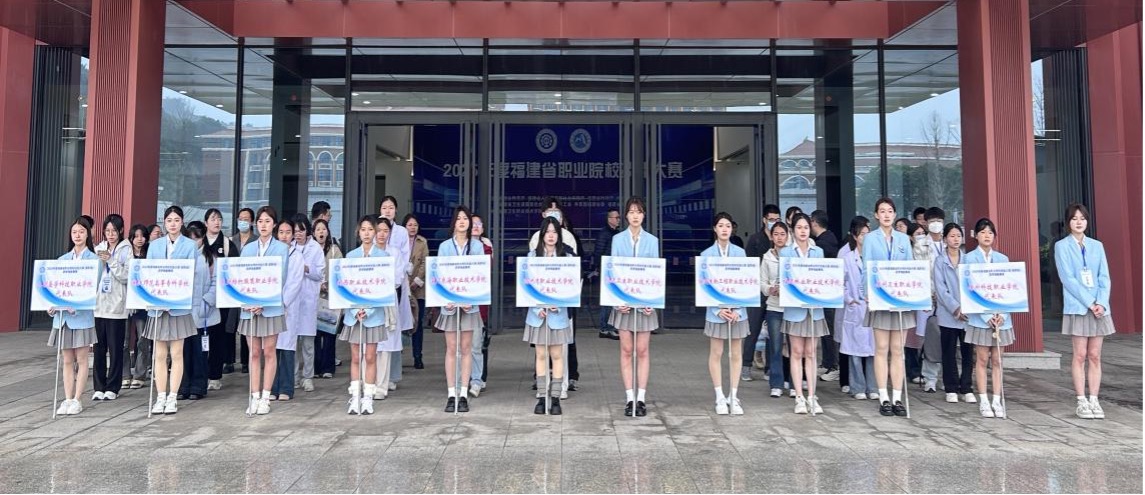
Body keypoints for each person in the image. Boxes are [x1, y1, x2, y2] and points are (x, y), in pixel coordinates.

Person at [1054, 203, 1115, 419]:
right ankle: (1081, 400)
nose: (1079, 222)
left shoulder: (1097, 246)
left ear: (1087, 221)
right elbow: (1067, 278)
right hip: (1078, 307)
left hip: (1099, 308)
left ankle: (1094, 399)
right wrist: (1090, 302)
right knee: (1080, 355)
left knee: (1095, 355)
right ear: (1068, 222)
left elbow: (1104, 277)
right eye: (1074, 218)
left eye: (1082, 218)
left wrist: (1101, 303)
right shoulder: (1061, 246)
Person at [144, 206, 202, 415]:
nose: (173, 224)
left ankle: (172, 397)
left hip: (178, 306)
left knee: (177, 353)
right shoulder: (155, 245)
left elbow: (190, 275)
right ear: (164, 222)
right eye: (169, 220)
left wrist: (175, 295)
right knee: (159, 354)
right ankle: (161, 396)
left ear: (182, 222)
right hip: (158, 307)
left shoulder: (189, 245)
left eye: (177, 220)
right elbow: (149, 274)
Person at [862, 198, 915, 418]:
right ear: (876, 215)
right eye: (882, 211)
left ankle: (897, 397)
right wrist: (867, 293)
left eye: (890, 211)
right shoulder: (870, 239)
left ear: (894, 214)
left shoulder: (903, 239)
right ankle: (883, 396)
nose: (886, 215)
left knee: (898, 350)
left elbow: (911, 268)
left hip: (901, 300)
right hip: (880, 300)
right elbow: (866, 268)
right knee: (881, 348)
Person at [609, 196, 659, 417]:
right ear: (626, 216)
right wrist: (617, 301)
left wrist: (652, 302)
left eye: (639, 212)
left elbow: (655, 273)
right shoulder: (618, 239)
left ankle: (641, 398)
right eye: (631, 212)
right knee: (627, 350)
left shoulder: (652, 241)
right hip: (624, 303)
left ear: (644, 215)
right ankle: (629, 397)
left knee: (643, 350)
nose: (635, 215)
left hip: (645, 303)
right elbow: (613, 271)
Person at [237, 206, 290, 415]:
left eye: (268, 221)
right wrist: (249, 300)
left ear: (274, 224)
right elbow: (241, 277)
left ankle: (266, 396)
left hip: (271, 307)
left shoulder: (281, 248)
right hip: (249, 307)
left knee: (269, 351)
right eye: (260, 221)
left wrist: (264, 302)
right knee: (254, 353)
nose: (264, 225)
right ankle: (254, 395)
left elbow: (280, 278)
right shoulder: (248, 249)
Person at [340, 216, 394, 415]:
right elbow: (345, 286)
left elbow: (384, 287)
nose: (367, 233)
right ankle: (355, 397)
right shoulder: (350, 256)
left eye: (370, 229)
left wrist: (368, 309)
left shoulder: (383, 257)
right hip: (353, 315)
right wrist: (355, 310)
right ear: (358, 232)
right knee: (355, 357)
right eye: (363, 229)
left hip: (374, 314)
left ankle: (368, 397)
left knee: (370, 356)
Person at [435, 206, 485, 413]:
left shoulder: (477, 247)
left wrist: (471, 299)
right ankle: (451, 393)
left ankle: (463, 393)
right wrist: (444, 299)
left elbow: (481, 276)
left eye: (465, 218)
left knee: (466, 349)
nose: (462, 221)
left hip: (469, 305)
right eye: (459, 218)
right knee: (451, 348)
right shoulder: (445, 246)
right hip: (449, 304)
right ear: (453, 223)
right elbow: (439, 276)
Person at [962, 218, 1012, 419]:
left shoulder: (1003, 259)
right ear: (976, 235)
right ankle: (983, 399)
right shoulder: (968, 259)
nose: (987, 236)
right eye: (983, 232)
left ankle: (997, 399)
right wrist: (986, 316)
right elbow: (968, 290)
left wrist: (1002, 314)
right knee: (982, 359)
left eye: (990, 232)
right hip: (980, 318)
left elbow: (1010, 289)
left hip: (1002, 318)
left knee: (998, 360)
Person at [524, 216, 575, 415]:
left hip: (558, 314)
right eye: (548, 232)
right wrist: (537, 307)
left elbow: (571, 288)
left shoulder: (566, 259)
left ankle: (555, 398)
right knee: (540, 355)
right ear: (542, 235)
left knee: (557, 355)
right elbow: (526, 286)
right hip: (537, 314)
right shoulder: (532, 257)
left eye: (555, 232)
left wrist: (559, 304)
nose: (551, 236)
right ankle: (542, 396)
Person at [780, 213, 829, 415]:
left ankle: (812, 395)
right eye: (799, 227)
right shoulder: (786, 253)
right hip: (794, 310)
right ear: (793, 230)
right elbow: (784, 280)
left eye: (806, 228)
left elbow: (823, 278)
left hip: (814, 310)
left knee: (811, 353)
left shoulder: (818, 252)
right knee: (796, 352)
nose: (803, 231)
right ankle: (799, 395)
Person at [49, 217, 99, 415]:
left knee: (82, 359)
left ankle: (78, 399)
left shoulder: (94, 260)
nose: (77, 236)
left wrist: (76, 306)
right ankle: (67, 398)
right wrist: (51, 305)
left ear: (88, 234)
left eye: (81, 232)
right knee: (67, 360)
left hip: (82, 317)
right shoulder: (62, 260)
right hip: (63, 318)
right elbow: (54, 288)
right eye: (74, 232)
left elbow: (92, 291)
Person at [701, 212, 749, 415]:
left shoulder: (740, 253)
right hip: (716, 312)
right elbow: (704, 286)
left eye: (728, 226)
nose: (724, 229)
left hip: (738, 312)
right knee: (717, 353)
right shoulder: (706, 255)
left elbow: (746, 282)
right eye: (720, 225)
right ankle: (719, 395)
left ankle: (734, 395)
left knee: (736, 353)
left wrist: (737, 308)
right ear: (715, 228)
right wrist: (717, 309)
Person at [933, 222, 975, 404]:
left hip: (968, 314)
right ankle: (950, 387)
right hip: (948, 314)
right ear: (945, 239)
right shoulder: (939, 261)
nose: (956, 239)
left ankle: (966, 387)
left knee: (968, 352)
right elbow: (940, 289)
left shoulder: (968, 260)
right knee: (948, 352)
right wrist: (955, 308)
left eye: (958, 235)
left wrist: (966, 307)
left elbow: (973, 285)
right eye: (952, 236)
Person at [92, 214, 131, 402]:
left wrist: (111, 261)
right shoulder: (98, 248)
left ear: (121, 230)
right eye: (107, 231)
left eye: (114, 231)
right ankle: (98, 386)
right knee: (99, 348)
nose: (110, 234)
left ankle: (113, 386)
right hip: (99, 305)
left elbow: (126, 276)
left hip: (117, 306)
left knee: (115, 349)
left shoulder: (126, 249)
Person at [378, 197, 414, 397]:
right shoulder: (372, 237)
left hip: (394, 288)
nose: (388, 210)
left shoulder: (400, 232)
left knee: (393, 332)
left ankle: (392, 376)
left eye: (391, 207)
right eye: (384, 207)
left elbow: (404, 259)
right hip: (374, 293)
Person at [177, 221, 217, 401]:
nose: (194, 242)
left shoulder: (210, 257)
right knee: (183, 351)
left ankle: (198, 386)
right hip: (184, 310)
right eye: (191, 238)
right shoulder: (181, 256)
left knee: (200, 351)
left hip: (203, 311)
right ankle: (183, 385)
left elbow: (216, 282)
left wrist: (207, 301)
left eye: (197, 238)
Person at [840, 216, 878, 401]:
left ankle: (873, 386)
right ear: (855, 236)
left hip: (873, 308)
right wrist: (850, 299)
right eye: (862, 234)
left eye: (867, 233)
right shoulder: (847, 258)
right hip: (855, 308)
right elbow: (840, 283)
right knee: (855, 351)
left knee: (874, 350)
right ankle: (857, 387)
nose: (865, 237)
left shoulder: (875, 257)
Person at [203, 208, 240, 390]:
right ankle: (201, 374)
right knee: (201, 337)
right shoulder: (199, 244)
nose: (216, 222)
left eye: (219, 219)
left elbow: (234, 269)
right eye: (213, 219)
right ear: (206, 223)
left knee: (217, 337)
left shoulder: (227, 244)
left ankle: (215, 376)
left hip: (221, 299)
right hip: (202, 298)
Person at [288, 214, 324, 394]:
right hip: (293, 300)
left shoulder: (315, 248)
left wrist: (306, 268)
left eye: (301, 230)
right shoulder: (289, 247)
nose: (298, 234)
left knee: (308, 344)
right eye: (295, 231)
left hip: (309, 299)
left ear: (307, 230)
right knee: (292, 342)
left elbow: (320, 274)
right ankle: (294, 377)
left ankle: (308, 377)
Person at [744, 204, 780, 377]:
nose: (774, 222)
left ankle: (769, 368)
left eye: (777, 219)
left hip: (776, 294)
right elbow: (749, 266)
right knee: (753, 329)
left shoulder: (782, 240)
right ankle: (746, 365)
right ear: (764, 220)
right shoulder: (755, 239)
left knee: (773, 332)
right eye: (771, 219)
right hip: (757, 292)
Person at [271, 220, 302, 401]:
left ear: (293, 235)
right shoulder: (272, 253)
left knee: (287, 348)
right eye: (281, 232)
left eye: (288, 232)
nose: (284, 236)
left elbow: (295, 283)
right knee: (272, 348)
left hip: (288, 307)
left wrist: (282, 302)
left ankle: (286, 388)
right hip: (271, 306)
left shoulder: (296, 256)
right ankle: (272, 387)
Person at [373, 218, 404, 400]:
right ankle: (369, 382)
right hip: (369, 301)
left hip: (387, 300)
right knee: (370, 344)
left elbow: (398, 278)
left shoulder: (395, 253)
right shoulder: (368, 251)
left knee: (385, 345)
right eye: (379, 230)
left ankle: (382, 386)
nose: (382, 234)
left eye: (386, 231)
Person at [809, 210, 841, 385]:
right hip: (827, 293)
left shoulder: (821, 245)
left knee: (828, 330)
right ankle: (827, 363)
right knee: (825, 329)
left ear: (814, 223)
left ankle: (834, 366)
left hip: (827, 292)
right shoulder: (831, 239)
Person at [759, 221, 789, 398]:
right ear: (771, 236)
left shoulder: (792, 254)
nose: (779, 237)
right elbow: (761, 282)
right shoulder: (767, 257)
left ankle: (792, 381)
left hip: (792, 307)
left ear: (788, 236)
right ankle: (776, 383)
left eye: (782, 234)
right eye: (776, 234)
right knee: (776, 346)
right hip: (774, 306)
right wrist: (770, 289)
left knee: (793, 347)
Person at [313, 218, 342, 379]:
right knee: (315, 334)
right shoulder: (310, 249)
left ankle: (328, 368)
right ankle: (316, 367)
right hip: (314, 297)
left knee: (330, 333)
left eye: (323, 229)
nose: (321, 232)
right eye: (318, 229)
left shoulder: (334, 250)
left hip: (331, 296)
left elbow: (340, 270)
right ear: (313, 233)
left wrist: (329, 284)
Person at [468, 213, 494, 398]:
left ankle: (478, 378)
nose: (476, 226)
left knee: (478, 342)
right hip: (460, 298)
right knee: (462, 345)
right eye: (473, 223)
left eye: (479, 223)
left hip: (479, 299)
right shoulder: (455, 245)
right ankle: (464, 378)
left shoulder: (486, 246)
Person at [123, 224, 151, 390]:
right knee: (124, 341)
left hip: (142, 303)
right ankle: (125, 374)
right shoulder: (126, 254)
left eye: (142, 236)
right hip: (126, 302)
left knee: (142, 340)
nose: (140, 239)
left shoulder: (150, 255)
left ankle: (140, 374)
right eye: (136, 236)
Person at [231, 207, 257, 374]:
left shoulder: (256, 241)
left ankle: (247, 361)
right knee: (231, 324)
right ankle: (229, 360)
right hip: (234, 286)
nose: (243, 222)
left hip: (250, 286)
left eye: (246, 219)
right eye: (241, 219)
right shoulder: (231, 240)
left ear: (252, 222)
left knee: (248, 324)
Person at [593, 207, 623, 340]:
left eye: (619, 217)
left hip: (615, 269)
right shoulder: (605, 233)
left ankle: (608, 327)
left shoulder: (617, 233)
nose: (618, 220)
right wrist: (599, 267)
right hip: (607, 270)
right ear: (609, 219)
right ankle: (605, 328)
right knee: (608, 300)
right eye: (616, 217)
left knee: (612, 299)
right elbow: (598, 251)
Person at [403, 213, 428, 370]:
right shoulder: (399, 241)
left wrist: (416, 281)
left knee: (417, 323)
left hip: (417, 288)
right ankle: (398, 356)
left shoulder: (422, 242)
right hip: (402, 286)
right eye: (410, 225)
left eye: (415, 225)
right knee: (402, 323)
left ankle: (417, 356)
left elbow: (425, 263)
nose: (412, 228)